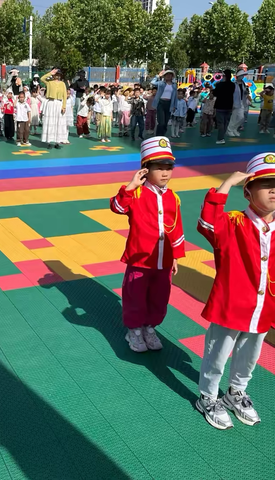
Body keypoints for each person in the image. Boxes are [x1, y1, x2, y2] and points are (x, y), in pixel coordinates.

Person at [196, 154, 275, 430]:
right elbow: (207, 224)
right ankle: (208, 396)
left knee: (251, 353)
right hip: (232, 303)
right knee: (218, 351)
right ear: (248, 192)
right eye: (265, 184)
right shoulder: (233, 223)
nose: (273, 189)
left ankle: (236, 392)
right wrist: (225, 185)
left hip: (264, 305)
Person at [110, 137, 185, 352]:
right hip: (139, 260)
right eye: (159, 168)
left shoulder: (174, 198)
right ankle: (133, 331)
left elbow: (176, 228)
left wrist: (176, 256)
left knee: (159, 298)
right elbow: (117, 207)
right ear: (145, 170)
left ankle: (149, 328)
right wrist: (131, 185)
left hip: (163, 262)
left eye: (169, 168)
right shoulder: (136, 194)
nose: (165, 173)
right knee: (135, 297)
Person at [40, 68, 67, 149]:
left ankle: (57, 142)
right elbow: (42, 78)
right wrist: (50, 73)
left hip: (59, 103)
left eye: (58, 75)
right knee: (50, 121)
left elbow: (65, 95)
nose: (57, 76)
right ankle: (49, 141)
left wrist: (64, 106)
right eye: (56, 74)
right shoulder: (49, 83)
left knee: (58, 122)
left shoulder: (62, 84)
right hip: (51, 103)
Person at [151, 70, 178, 136]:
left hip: (169, 104)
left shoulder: (174, 85)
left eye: (170, 75)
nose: (168, 76)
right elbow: (153, 82)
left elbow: (175, 96)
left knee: (166, 122)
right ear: (164, 76)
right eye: (167, 75)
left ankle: (162, 136)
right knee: (161, 122)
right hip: (161, 103)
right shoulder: (161, 83)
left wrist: (175, 105)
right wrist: (157, 76)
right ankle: (158, 136)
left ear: (172, 76)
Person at [213, 69, 235, 145]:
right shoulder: (232, 85)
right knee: (226, 122)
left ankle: (220, 138)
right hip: (229, 106)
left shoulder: (219, 85)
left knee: (220, 123)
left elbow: (215, 93)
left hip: (220, 106)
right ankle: (222, 136)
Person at [226, 70, 248, 138]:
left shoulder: (243, 83)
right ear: (237, 76)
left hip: (242, 102)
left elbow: (244, 92)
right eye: (241, 75)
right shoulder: (233, 84)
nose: (242, 77)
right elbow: (230, 94)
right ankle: (229, 130)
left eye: (243, 75)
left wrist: (246, 92)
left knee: (241, 117)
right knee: (234, 117)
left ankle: (234, 129)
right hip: (235, 102)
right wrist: (231, 103)